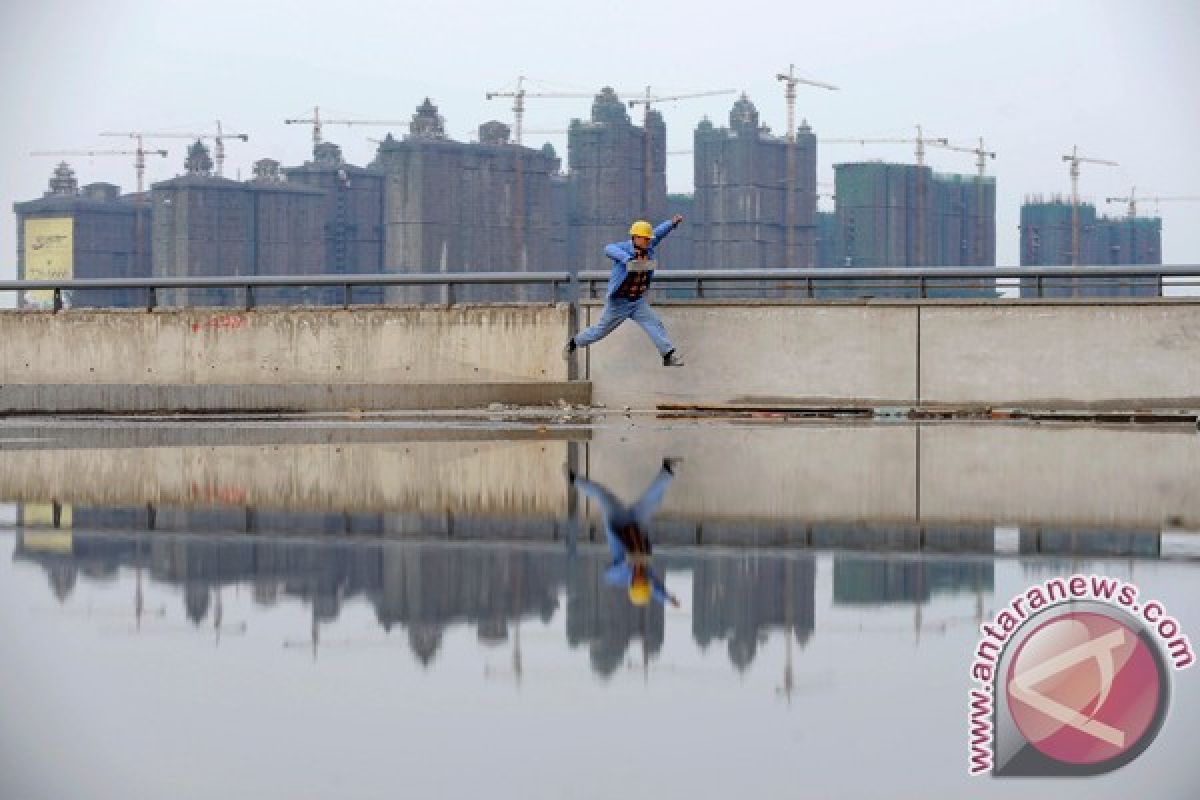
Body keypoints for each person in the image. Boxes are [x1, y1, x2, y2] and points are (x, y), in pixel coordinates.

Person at [563, 215, 686, 367]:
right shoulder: (624, 248)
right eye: (645, 239)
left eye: (649, 239)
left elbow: (658, 233)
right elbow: (608, 249)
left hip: (636, 301)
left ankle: (668, 355)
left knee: (654, 323)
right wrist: (627, 259)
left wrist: (671, 223)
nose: (648, 241)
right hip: (618, 302)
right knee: (600, 331)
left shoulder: (649, 247)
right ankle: (575, 342)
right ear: (636, 238)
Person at [566, 459, 682, 608]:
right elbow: (656, 589)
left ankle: (573, 479)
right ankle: (667, 471)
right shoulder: (647, 578)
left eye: (639, 580)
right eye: (644, 581)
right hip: (636, 524)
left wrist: (625, 564)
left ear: (632, 584)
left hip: (617, 523)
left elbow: (608, 574)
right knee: (651, 501)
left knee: (603, 496)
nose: (642, 578)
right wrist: (668, 599)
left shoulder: (621, 577)